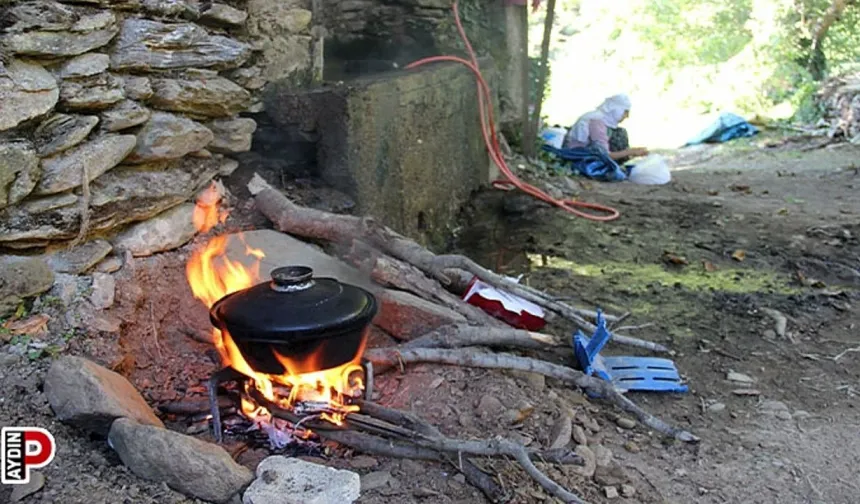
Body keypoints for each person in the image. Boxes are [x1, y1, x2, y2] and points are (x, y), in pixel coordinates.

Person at [562, 94, 649, 164]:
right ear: (616, 110)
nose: (627, 116)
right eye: (625, 112)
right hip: (577, 157)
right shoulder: (597, 122)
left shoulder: (598, 118)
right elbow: (605, 155)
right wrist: (630, 152)